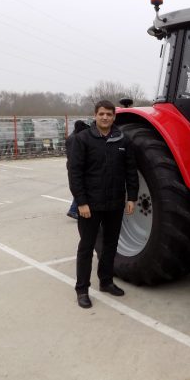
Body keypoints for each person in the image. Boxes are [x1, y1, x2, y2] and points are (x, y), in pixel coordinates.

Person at [68, 100, 138, 307]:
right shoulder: (83, 139)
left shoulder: (123, 140)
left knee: (110, 245)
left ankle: (106, 282)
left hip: (115, 203)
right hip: (90, 205)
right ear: (95, 116)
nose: (105, 117)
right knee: (87, 247)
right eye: (101, 114)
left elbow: (130, 171)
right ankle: (82, 289)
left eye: (109, 114)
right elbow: (75, 173)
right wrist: (81, 202)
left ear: (114, 117)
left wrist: (131, 197)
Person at [65, 120, 90, 219]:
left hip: (71, 165)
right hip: (77, 165)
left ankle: (73, 209)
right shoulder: (76, 138)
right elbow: (75, 155)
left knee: (79, 187)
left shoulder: (71, 137)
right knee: (80, 188)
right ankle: (73, 210)